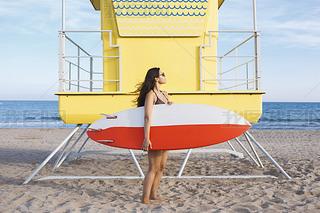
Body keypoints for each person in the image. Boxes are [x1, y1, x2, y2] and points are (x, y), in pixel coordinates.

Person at [134, 67, 173, 205]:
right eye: (163, 74)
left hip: (165, 134)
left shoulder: (165, 94)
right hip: (154, 134)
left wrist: (170, 105)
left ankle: (154, 194)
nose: (165, 76)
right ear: (156, 78)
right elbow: (147, 117)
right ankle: (145, 199)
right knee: (153, 167)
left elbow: (167, 114)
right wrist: (146, 138)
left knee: (161, 167)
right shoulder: (151, 95)